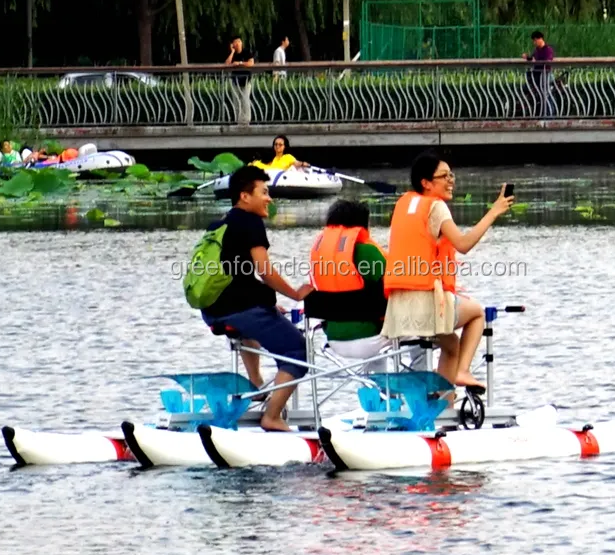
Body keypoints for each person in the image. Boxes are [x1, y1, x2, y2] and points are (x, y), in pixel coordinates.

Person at [381, 151, 514, 390]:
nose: (451, 180)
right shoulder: (436, 207)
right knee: (477, 314)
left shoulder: (403, 204)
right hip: (425, 308)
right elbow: (463, 245)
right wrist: (494, 211)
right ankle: (463, 371)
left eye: (451, 174)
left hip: (398, 309)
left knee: (451, 346)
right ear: (426, 183)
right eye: (444, 176)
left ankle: (444, 406)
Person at [200, 165, 313, 430]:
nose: (269, 198)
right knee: (298, 350)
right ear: (245, 196)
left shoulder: (219, 224)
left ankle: (257, 385)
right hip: (241, 310)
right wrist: (296, 294)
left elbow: (233, 275)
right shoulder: (250, 222)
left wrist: (270, 304)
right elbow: (264, 271)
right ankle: (272, 417)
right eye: (264, 191)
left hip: (213, 311)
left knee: (255, 327)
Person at [304, 199, 387, 360]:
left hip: (334, 340)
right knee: (422, 337)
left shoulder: (321, 255)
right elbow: (394, 286)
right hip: (371, 338)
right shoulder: (368, 252)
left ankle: (371, 383)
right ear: (363, 224)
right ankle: (424, 382)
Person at [522, 30, 555, 117]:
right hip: (537, 75)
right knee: (542, 95)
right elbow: (533, 58)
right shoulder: (537, 50)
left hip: (545, 74)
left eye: (535, 40)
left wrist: (537, 61)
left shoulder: (548, 50)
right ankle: (545, 114)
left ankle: (550, 115)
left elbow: (548, 61)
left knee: (546, 95)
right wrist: (527, 57)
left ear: (540, 39)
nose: (534, 43)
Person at [225, 35, 255, 126]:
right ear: (233, 44)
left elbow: (251, 63)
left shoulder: (246, 52)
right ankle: (238, 121)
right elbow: (227, 64)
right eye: (235, 42)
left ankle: (246, 121)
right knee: (236, 101)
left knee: (245, 101)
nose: (237, 44)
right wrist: (232, 52)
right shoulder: (232, 54)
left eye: (239, 41)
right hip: (235, 81)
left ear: (241, 42)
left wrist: (240, 63)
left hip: (246, 81)